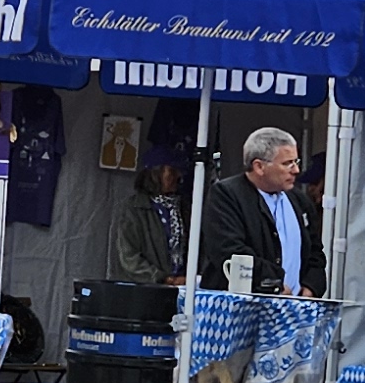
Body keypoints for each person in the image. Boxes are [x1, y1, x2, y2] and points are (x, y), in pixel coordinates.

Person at [192, 124, 327, 295]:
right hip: (242, 306)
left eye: (296, 162)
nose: (296, 170)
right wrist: (275, 283)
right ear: (259, 167)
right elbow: (229, 250)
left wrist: (311, 286)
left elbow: (315, 253)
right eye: (287, 163)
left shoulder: (300, 201)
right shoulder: (226, 195)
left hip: (295, 306)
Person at [112, 159, 184, 286]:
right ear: (156, 175)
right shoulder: (134, 209)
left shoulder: (183, 208)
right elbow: (129, 256)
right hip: (143, 289)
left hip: (181, 287)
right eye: (172, 171)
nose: (178, 176)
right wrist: (162, 278)